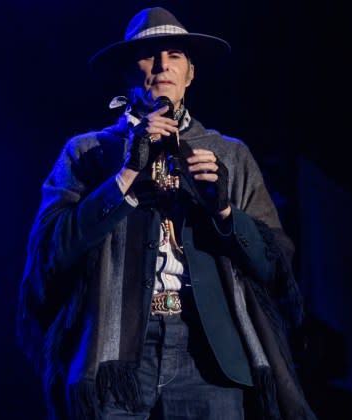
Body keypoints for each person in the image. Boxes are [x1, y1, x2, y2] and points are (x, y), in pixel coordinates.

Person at [17, 6, 317, 420]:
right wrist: (124, 176)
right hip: (115, 356)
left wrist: (225, 210)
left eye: (174, 55)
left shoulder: (229, 152)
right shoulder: (87, 152)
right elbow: (51, 253)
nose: (162, 66)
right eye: (148, 55)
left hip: (208, 354)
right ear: (127, 71)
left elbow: (275, 265)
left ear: (190, 73)